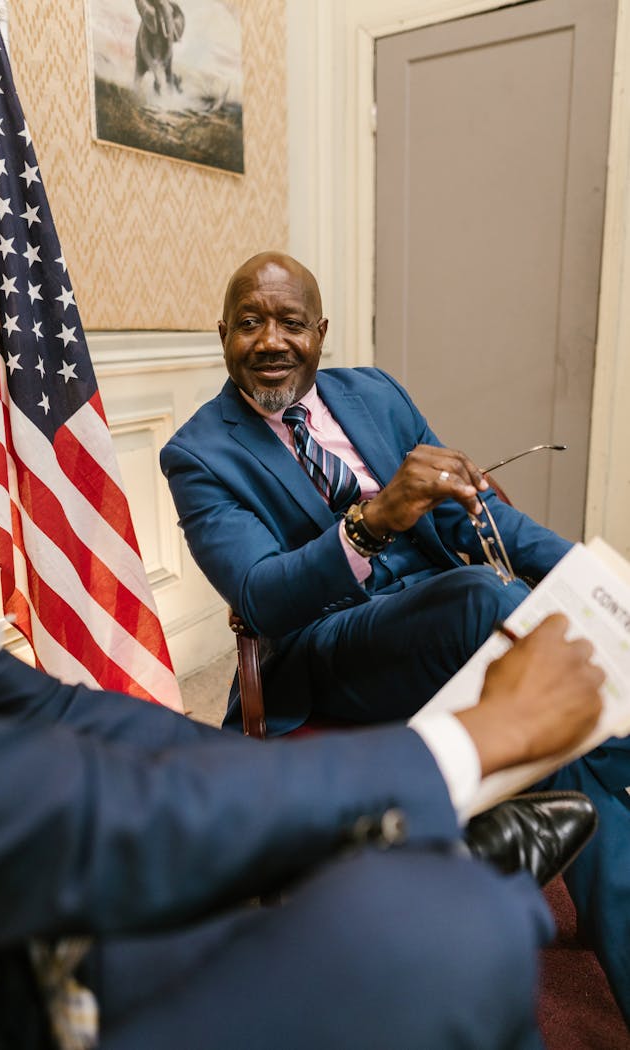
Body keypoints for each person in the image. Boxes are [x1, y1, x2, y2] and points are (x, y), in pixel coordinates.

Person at [159, 251, 630, 1023]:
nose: (270, 340)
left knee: (557, 705)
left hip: (444, 619)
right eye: (249, 323)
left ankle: (603, 750)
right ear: (223, 334)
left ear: (321, 332)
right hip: (330, 648)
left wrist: (598, 583)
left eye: (290, 322)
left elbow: (476, 515)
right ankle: (616, 737)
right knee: (486, 599)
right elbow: (263, 598)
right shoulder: (199, 454)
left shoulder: (373, 392)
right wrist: (372, 521)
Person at [0, 593, 604, 1050]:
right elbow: (263, 594)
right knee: (461, 931)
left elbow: (52, 711)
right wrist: (471, 740)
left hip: (16, 918)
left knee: (503, 607)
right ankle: (429, 856)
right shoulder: (200, 451)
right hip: (7, 997)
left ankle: (381, 840)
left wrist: (326, 807)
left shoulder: (382, 417)